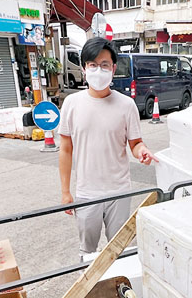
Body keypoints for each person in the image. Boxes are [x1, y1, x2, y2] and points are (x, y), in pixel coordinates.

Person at [58, 37, 157, 256]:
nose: (98, 70)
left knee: (119, 250)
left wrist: (143, 152)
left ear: (113, 68)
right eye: (93, 64)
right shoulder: (72, 104)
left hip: (119, 191)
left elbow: (135, 143)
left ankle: (118, 289)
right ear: (84, 68)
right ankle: (93, 291)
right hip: (86, 193)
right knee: (88, 252)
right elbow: (65, 149)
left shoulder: (126, 105)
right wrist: (66, 192)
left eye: (104, 65)